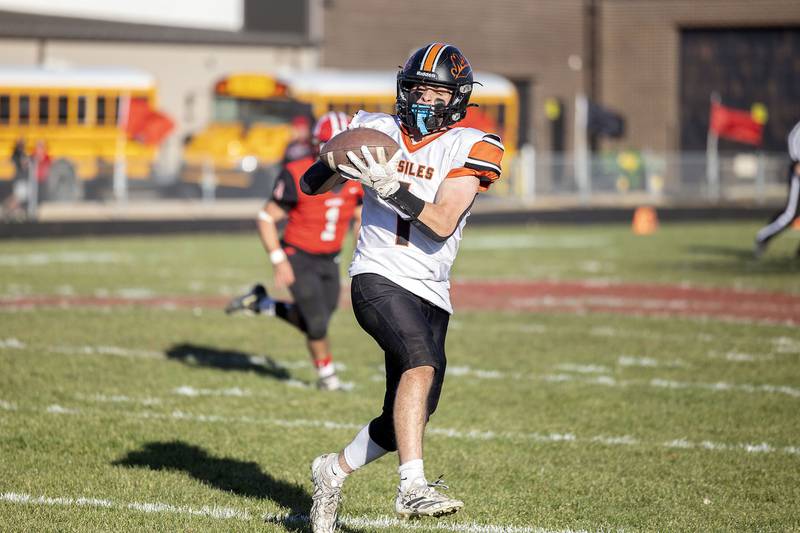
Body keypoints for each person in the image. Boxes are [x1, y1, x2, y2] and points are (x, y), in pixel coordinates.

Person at [299, 43, 503, 531]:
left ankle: (332, 470)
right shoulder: (375, 127)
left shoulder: (474, 143)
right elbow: (311, 185)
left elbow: (442, 221)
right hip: (376, 275)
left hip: (431, 289)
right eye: (415, 88)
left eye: (435, 91)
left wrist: (393, 187)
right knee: (420, 361)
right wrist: (336, 161)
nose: (421, 99)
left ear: (456, 98)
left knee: (403, 419)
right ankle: (412, 486)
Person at [225, 111, 363, 391]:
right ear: (318, 145)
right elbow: (266, 218)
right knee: (316, 321)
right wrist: (278, 260)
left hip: (329, 259)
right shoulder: (298, 173)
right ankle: (328, 380)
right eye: (332, 143)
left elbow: (360, 215)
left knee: (321, 313)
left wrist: (363, 253)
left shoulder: (357, 176)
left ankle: (263, 304)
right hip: (298, 255)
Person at [754, 119, 800, 258]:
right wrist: (796, 161)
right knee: (790, 214)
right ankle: (762, 237)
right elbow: (793, 137)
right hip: (797, 176)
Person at [2, 139, 29, 220]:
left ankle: (16, 214)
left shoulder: (23, 155)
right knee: (14, 199)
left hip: (20, 181)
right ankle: (10, 214)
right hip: (14, 181)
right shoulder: (15, 156)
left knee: (19, 200)